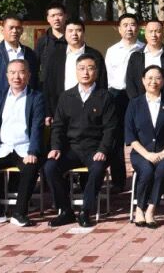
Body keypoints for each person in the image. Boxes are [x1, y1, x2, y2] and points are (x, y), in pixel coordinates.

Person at [44, 56, 118, 228]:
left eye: (90, 68)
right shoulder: (66, 96)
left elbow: (111, 128)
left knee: (98, 168)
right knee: (50, 167)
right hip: (72, 148)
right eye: (82, 68)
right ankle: (65, 210)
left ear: (96, 72)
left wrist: (103, 150)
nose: (86, 72)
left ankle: (85, 211)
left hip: (95, 149)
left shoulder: (105, 97)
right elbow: (58, 126)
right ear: (76, 71)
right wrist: (55, 147)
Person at [0, 59, 45, 228]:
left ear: (28, 75)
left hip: (24, 149)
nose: (16, 77)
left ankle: (19, 213)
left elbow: (37, 127)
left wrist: (33, 152)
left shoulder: (36, 97)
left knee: (30, 168)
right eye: (12, 73)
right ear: (7, 76)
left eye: (21, 72)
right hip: (2, 149)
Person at [126, 66, 164, 228]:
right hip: (140, 152)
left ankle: (151, 209)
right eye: (149, 78)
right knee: (147, 171)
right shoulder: (134, 104)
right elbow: (130, 134)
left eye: (157, 78)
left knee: (161, 171)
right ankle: (139, 208)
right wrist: (147, 155)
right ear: (143, 81)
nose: (153, 82)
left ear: (163, 81)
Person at [105, 13, 145, 191]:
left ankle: (143, 178)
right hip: (117, 95)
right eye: (125, 25)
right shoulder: (112, 51)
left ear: (138, 28)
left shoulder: (144, 49)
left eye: (133, 24)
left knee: (141, 136)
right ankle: (118, 181)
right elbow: (107, 77)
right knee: (116, 139)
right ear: (119, 29)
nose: (129, 28)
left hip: (139, 96)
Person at [44, 18, 108, 119]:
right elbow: (48, 84)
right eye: (70, 31)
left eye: (78, 30)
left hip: (90, 107)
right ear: (65, 33)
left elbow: (102, 82)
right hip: (61, 107)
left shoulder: (95, 55)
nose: (74, 34)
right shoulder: (56, 55)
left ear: (83, 33)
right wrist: (48, 112)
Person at [0, 15, 40, 116]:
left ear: (22, 30)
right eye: (11, 28)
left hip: (25, 108)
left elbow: (35, 81)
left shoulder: (29, 54)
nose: (14, 31)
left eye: (18, 28)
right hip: (0, 109)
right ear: (2, 30)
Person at [125, 19, 164, 101]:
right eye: (150, 31)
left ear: (163, 34)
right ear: (145, 34)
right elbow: (130, 82)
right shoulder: (136, 56)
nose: (153, 35)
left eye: (157, 31)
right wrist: (138, 102)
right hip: (140, 103)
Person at [35, 2, 68, 87]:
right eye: (53, 16)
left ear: (65, 16)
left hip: (69, 86)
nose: (56, 19)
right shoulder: (42, 41)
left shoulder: (72, 40)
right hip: (47, 88)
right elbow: (35, 66)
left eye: (59, 15)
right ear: (48, 19)